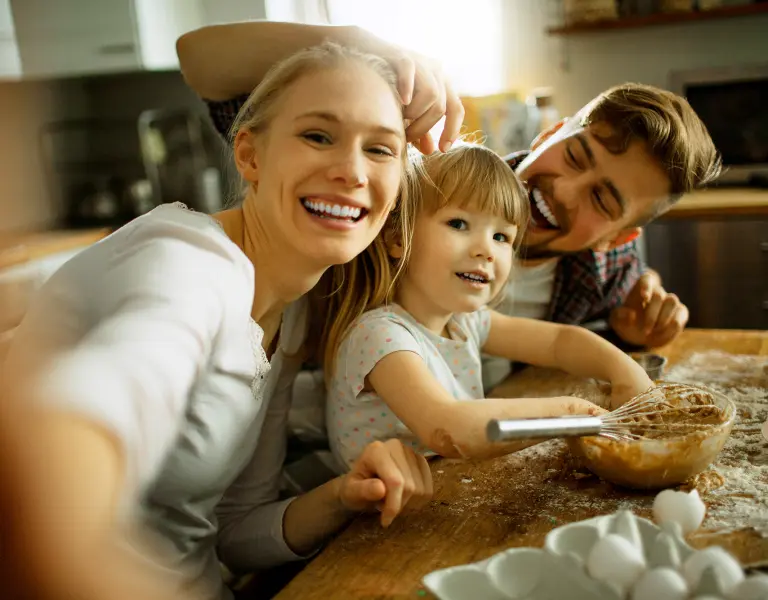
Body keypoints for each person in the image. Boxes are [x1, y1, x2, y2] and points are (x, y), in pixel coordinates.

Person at [1, 42, 449, 600]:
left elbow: (232, 531)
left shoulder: (290, 311)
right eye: (317, 136)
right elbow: (88, 412)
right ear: (249, 155)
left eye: (380, 149)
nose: (352, 171)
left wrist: (343, 495)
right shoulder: (188, 264)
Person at [178, 22, 720, 390]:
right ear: (551, 132)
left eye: (602, 199)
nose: (563, 191)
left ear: (617, 237)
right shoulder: (417, 184)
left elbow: (605, 326)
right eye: (575, 156)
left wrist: (634, 333)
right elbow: (199, 61)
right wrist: (359, 45)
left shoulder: (604, 273)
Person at [325, 143, 653, 468]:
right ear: (398, 237)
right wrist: (575, 413)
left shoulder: (466, 322)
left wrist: (625, 372)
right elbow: (449, 428)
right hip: (375, 515)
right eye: (458, 224)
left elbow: (559, 343)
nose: (486, 250)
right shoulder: (379, 336)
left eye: (501, 237)